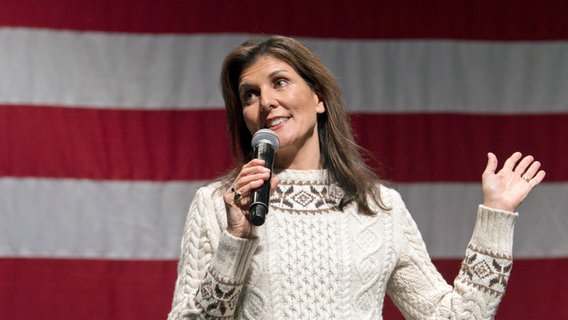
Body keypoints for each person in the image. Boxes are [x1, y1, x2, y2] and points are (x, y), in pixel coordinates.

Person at [168, 36, 545, 319]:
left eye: (279, 82)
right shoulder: (218, 204)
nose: (266, 101)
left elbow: (458, 317)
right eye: (250, 95)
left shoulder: (379, 207)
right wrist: (236, 239)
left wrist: (496, 216)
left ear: (318, 98)